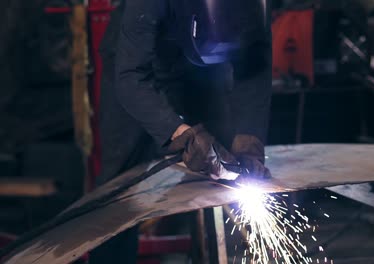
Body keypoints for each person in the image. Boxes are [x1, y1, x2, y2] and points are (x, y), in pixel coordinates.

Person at [90, 0, 272, 263]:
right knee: (120, 181)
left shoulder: (257, 7)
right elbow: (131, 77)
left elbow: (257, 61)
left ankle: (207, 254)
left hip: (203, 70)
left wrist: (249, 142)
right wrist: (181, 134)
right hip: (139, 65)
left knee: (224, 167)